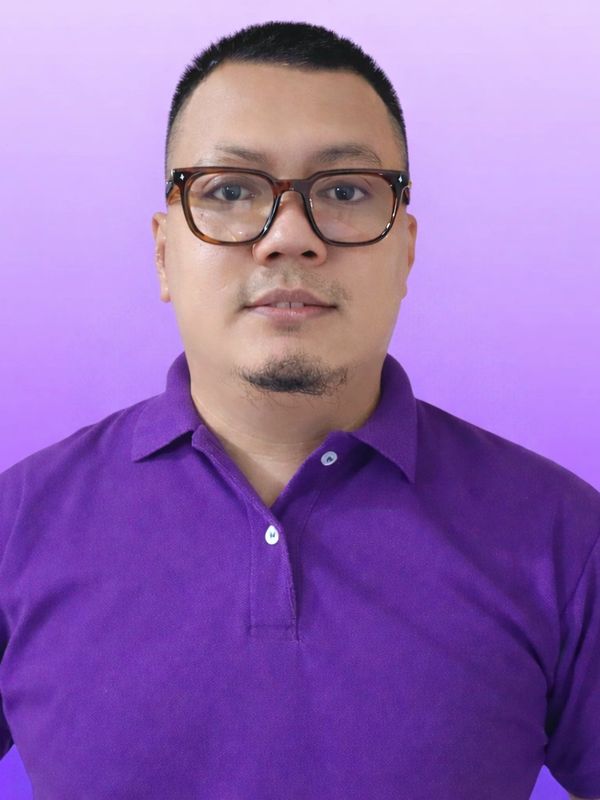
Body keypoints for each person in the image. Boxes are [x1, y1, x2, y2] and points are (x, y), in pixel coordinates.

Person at [0, 20, 598, 800]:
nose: (288, 237)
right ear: (163, 252)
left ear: (407, 250)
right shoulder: (19, 525)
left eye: (344, 191)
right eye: (229, 190)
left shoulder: (564, 538)